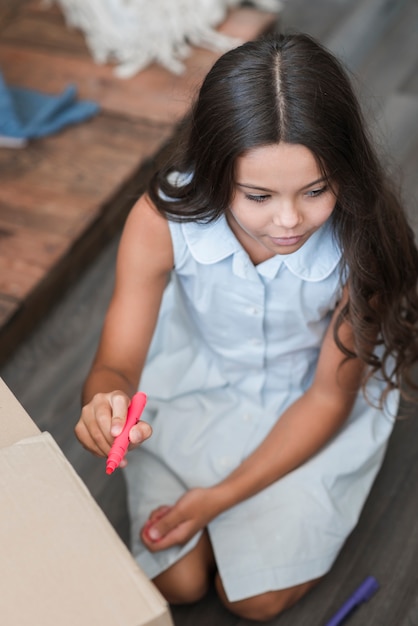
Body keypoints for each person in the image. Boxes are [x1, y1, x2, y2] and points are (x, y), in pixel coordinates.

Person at [76, 33, 418, 622]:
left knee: (253, 600)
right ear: (213, 171)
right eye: (258, 195)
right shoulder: (159, 221)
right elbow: (117, 364)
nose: (289, 221)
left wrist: (216, 501)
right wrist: (104, 403)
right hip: (195, 389)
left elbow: (326, 397)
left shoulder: (360, 240)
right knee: (178, 583)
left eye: (316, 190)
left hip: (306, 407)